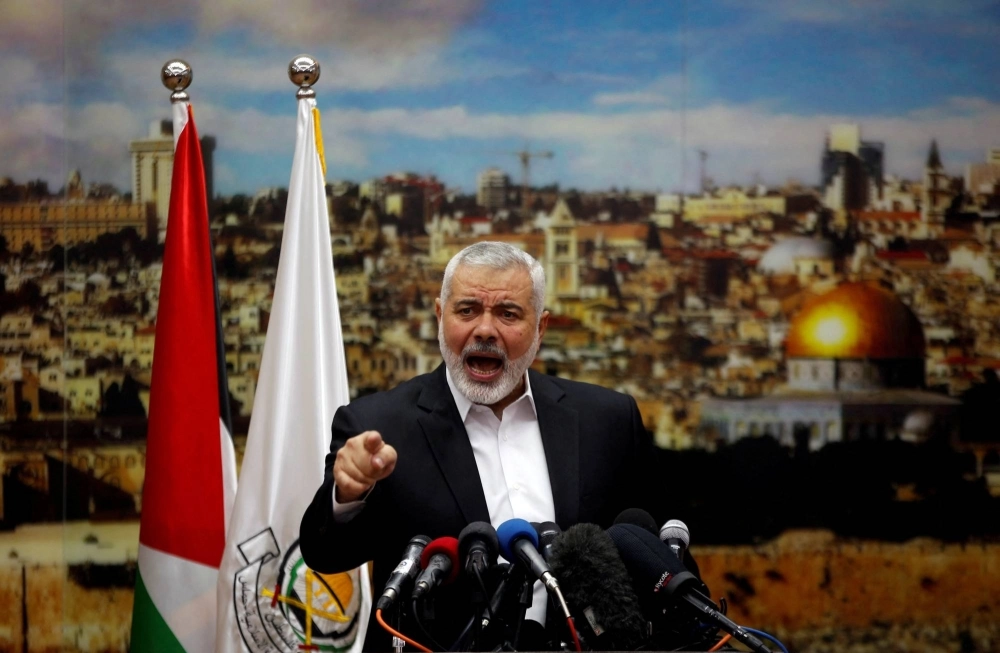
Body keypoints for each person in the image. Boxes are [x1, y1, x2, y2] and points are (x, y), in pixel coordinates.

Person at [300, 241, 658, 651]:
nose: (485, 330)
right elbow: (324, 554)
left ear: (540, 329)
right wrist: (348, 493)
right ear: (440, 316)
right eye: (467, 310)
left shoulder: (608, 420)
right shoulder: (378, 426)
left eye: (508, 314)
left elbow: (653, 556)